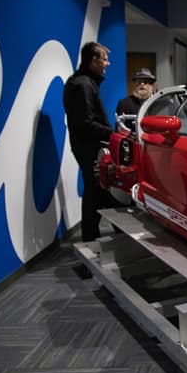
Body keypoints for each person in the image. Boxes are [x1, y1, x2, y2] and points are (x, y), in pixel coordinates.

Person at [63, 41, 115, 242]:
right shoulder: (82, 85)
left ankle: (96, 242)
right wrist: (112, 134)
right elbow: (85, 123)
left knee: (100, 194)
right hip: (90, 149)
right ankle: (90, 245)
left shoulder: (82, 82)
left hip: (89, 147)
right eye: (104, 59)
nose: (107, 63)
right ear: (93, 60)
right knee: (94, 195)